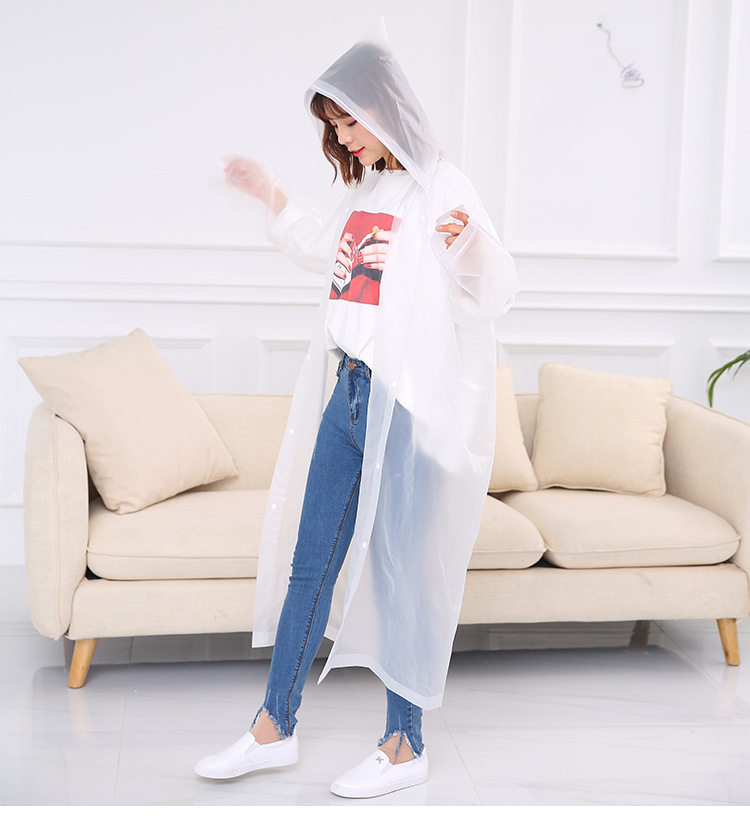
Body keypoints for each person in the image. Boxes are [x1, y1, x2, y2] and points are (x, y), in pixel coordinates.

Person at [194, 30, 518, 799]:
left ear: (385, 109)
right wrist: (270, 191)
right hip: (346, 395)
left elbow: (494, 291)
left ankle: (405, 743)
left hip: (403, 405)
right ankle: (273, 727)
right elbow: (322, 248)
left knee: (400, 572)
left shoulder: (443, 186)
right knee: (311, 563)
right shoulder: (366, 192)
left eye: (348, 122)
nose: (341, 139)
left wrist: (470, 246)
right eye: (333, 126)